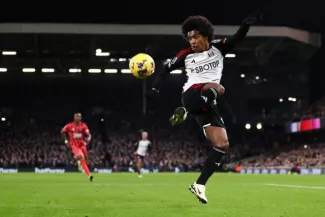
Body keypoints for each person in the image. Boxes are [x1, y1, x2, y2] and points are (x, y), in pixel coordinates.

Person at [147, 12, 262, 203]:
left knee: (222, 144)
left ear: (206, 36)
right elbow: (166, 69)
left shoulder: (219, 48)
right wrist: (154, 88)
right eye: (189, 37)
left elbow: (237, 38)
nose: (192, 41)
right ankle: (186, 109)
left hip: (208, 101)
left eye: (196, 36)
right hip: (192, 94)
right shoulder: (185, 55)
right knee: (219, 87)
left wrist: (245, 25)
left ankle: (199, 185)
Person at [61, 113, 93, 181]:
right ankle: (89, 174)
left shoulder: (83, 125)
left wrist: (88, 140)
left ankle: (85, 171)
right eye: (77, 116)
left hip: (82, 145)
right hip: (74, 146)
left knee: (85, 159)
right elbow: (62, 132)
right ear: (74, 117)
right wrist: (66, 141)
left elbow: (89, 135)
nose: (78, 117)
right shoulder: (69, 125)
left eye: (80, 116)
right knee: (81, 157)